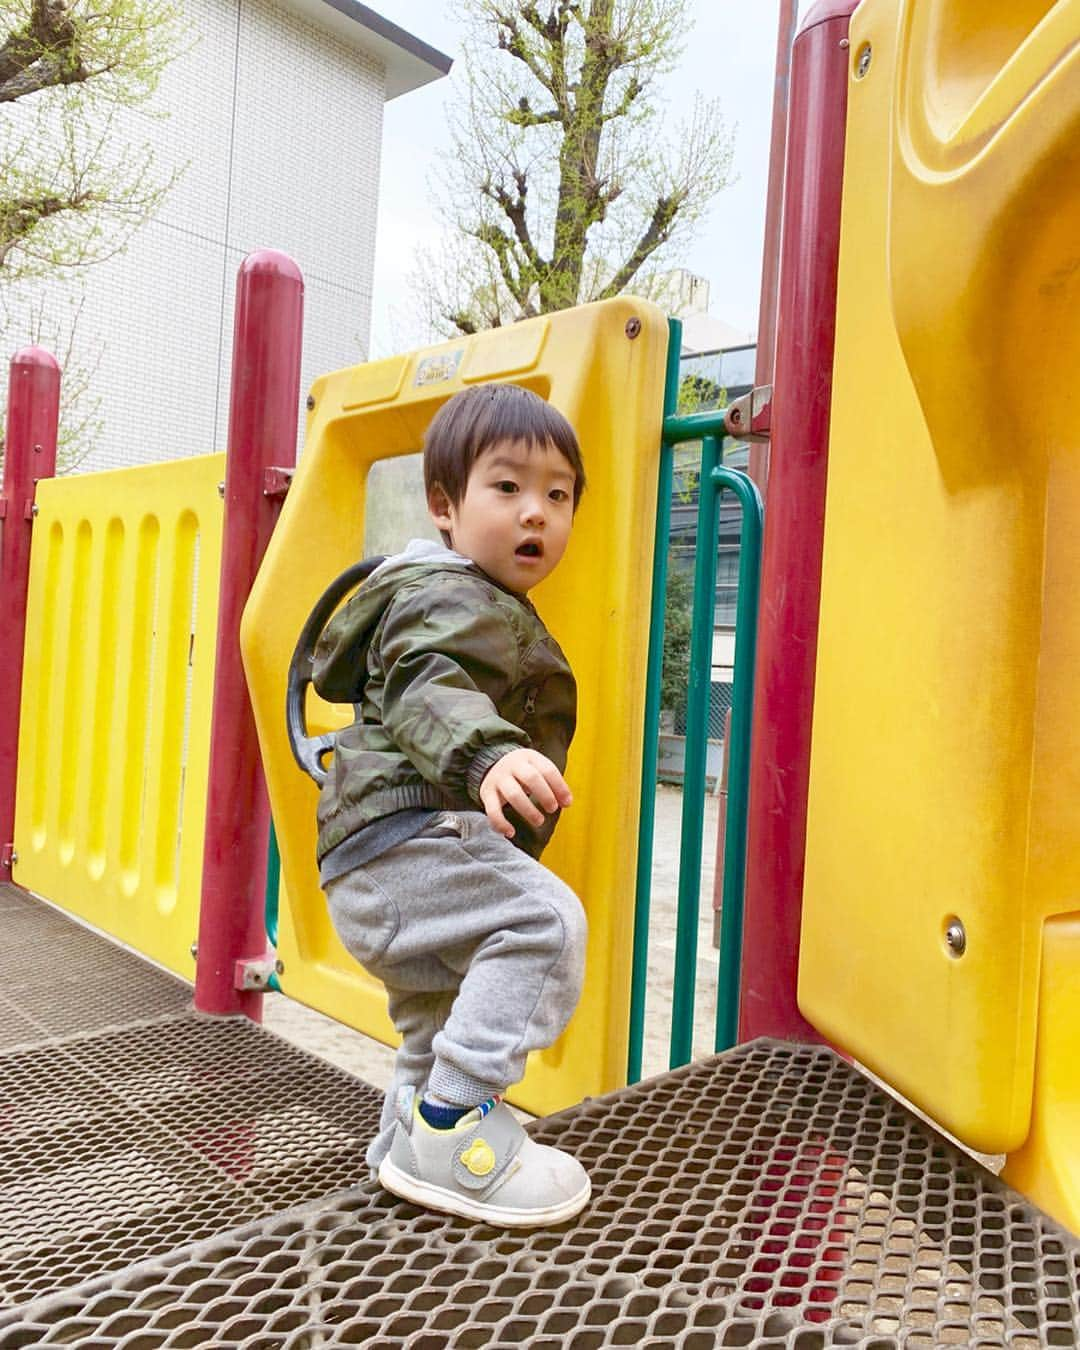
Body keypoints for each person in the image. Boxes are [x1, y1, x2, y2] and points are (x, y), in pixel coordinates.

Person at [312, 382, 590, 1228]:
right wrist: (490, 752)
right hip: (409, 842)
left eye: (557, 494)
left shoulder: (469, 595)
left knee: (436, 1017)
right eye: (506, 488)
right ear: (445, 504)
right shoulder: (444, 595)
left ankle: (407, 1149)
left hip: (377, 862)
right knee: (545, 924)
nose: (534, 513)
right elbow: (427, 685)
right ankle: (453, 1124)